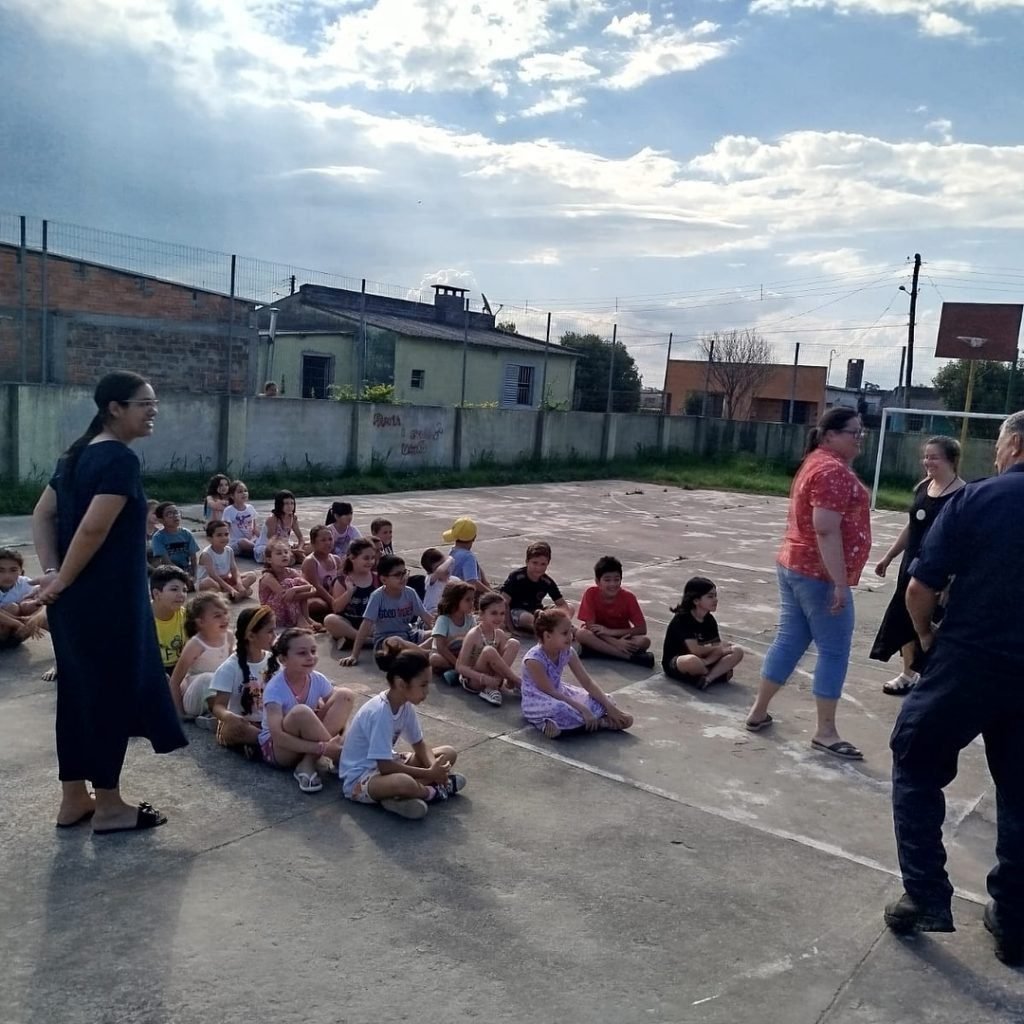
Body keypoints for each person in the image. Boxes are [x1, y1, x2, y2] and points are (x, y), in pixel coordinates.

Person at [884, 411, 1024, 967]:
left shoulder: (979, 500)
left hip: (967, 662)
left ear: (1013, 444)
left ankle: (925, 897)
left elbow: (920, 587)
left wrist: (926, 637)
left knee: (916, 761)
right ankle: (1014, 921)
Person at [31, 370, 186, 834]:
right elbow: (93, 529)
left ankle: (75, 798)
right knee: (107, 699)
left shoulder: (77, 455)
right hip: (107, 604)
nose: (153, 410)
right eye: (144, 403)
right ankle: (111, 805)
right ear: (114, 408)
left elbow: (42, 516)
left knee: (78, 697)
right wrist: (61, 580)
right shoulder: (118, 459)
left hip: (75, 605)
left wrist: (56, 575)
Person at [745, 406, 871, 760]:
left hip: (795, 566)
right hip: (817, 575)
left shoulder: (819, 461)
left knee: (790, 639)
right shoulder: (830, 469)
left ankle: (758, 711)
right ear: (830, 435)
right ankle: (826, 732)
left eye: (861, 432)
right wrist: (839, 582)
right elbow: (825, 528)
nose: (859, 438)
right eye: (853, 432)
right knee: (834, 650)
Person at [870, 436, 964, 695]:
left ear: (951, 460)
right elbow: (912, 526)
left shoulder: (962, 495)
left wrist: (952, 579)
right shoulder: (924, 487)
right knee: (903, 619)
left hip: (939, 572)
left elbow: (964, 542)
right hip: (910, 566)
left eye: (934, 457)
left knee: (932, 624)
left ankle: (932, 676)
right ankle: (908, 673)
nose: (927, 462)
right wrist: (889, 556)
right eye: (926, 456)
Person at [338, 650, 466, 820]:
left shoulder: (404, 705)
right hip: (362, 778)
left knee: (448, 753)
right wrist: (430, 774)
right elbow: (385, 766)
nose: (427, 692)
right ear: (401, 684)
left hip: (390, 763)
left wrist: (433, 767)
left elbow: (419, 744)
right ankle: (430, 791)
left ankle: (399, 797)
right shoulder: (380, 712)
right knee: (402, 782)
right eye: (423, 685)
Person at [258, 628, 355, 793]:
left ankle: (307, 763)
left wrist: (334, 739)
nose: (310, 657)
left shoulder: (317, 679)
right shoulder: (275, 689)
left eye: (313, 651)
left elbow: (336, 715)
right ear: (283, 659)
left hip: (308, 741)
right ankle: (340, 756)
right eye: (302, 653)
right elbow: (278, 737)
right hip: (279, 750)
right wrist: (323, 748)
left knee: (345, 694)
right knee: (301, 712)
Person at [522, 609, 633, 738]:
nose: (570, 636)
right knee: (559, 709)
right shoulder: (534, 659)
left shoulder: (568, 651)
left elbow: (587, 682)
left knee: (606, 699)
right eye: (564, 633)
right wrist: (583, 709)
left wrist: (609, 707)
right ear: (547, 636)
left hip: (561, 693)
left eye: (570, 631)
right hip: (539, 700)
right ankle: (600, 722)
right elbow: (551, 692)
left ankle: (576, 725)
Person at [339, 554, 433, 671]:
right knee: (395, 641)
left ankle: (417, 654)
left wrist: (438, 632)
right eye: (398, 575)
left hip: (410, 635)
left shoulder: (410, 593)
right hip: (386, 641)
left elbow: (425, 616)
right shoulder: (378, 597)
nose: (403, 577)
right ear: (383, 579)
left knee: (436, 635)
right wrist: (354, 655)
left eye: (404, 572)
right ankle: (424, 654)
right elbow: (365, 626)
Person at [208, 605, 276, 757]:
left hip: (270, 722)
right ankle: (273, 744)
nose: (275, 635)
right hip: (244, 724)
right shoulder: (230, 667)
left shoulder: (274, 661)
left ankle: (264, 744)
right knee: (232, 729)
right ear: (251, 636)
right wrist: (228, 716)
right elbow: (218, 706)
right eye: (270, 631)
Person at [662, 577, 744, 688]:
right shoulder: (682, 619)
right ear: (696, 600)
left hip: (705, 660)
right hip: (680, 662)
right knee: (692, 661)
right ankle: (715, 674)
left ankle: (706, 679)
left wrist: (710, 657)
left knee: (737, 650)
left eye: (715, 596)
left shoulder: (710, 620)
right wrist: (715, 649)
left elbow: (717, 650)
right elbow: (695, 650)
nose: (715, 600)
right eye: (710, 596)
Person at [576, 555, 654, 668]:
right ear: (598, 581)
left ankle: (599, 651)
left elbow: (642, 629)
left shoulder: (629, 597)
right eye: (607, 580)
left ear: (621, 580)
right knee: (581, 634)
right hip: (597, 636)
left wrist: (610, 632)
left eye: (616, 579)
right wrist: (615, 643)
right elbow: (590, 627)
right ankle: (628, 657)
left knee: (644, 642)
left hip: (620, 636)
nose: (612, 584)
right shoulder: (591, 593)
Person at [167, 593, 232, 722]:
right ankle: (221, 717)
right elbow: (174, 681)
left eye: (225, 613)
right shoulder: (195, 644)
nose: (224, 618)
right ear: (201, 622)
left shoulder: (229, 636)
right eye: (217, 616)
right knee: (208, 678)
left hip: (220, 691)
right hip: (194, 697)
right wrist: (180, 712)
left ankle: (212, 717)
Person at [455, 591, 522, 705]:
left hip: (494, 679)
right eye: (494, 613)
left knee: (514, 643)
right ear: (481, 614)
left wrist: (500, 678)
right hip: (476, 681)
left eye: (502, 613)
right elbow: (460, 667)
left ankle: (493, 687)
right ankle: (517, 682)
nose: (499, 617)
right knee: (489, 651)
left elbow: (501, 663)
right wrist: (483, 678)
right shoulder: (473, 635)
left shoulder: (499, 634)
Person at [500, 541, 574, 634]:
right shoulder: (516, 577)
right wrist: (510, 627)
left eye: (543, 564)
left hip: (538, 612)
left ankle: (553, 628)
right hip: (518, 612)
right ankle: (553, 629)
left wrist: (565, 620)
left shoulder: (547, 581)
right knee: (527, 618)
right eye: (535, 563)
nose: (538, 568)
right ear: (527, 562)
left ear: (548, 564)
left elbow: (561, 604)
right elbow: (503, 602)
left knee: (570, 607)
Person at [323, 538, 378, 650]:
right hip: (347, 623)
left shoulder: (376, 578)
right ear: (352, 558)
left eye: (373, 558)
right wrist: (349, 593)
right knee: (330, 620)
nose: (371, 562)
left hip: (369, 623)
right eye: (366, 558)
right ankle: (367, 641)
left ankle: (352, 640)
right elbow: (336, 608)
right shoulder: (342, 580)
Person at [259, 538, 318, 630]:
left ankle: (306, 618)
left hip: (288, 611)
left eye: (286, 552)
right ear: (269, 560)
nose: (284, 555)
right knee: (288, 583)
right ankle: (300, 619)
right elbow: (286, 596)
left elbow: (312, 588)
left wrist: (295, 589)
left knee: (298, 581)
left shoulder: (291, 572)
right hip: (272, 615)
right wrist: (306, 591)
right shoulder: (268, 577)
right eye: (279, 553)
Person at [196, 520, 258, 600]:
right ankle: (232, 594)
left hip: (225, 579)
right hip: (213, 582)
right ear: (210, 539)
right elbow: (213, 576)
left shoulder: (229, 550)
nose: (224, 538)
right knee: (208, 582)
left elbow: (234, 570)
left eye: (226, 534)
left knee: (251, 575)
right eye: (219, 535)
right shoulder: (206, 554)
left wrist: (239, 584)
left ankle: (227, 595)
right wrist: (230, 588)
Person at [0, 547, 46, 647]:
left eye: (13, 570)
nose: (7, 576)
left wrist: (34, 619)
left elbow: (46, 604)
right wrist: (18, 623)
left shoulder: (24, 583)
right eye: (1, 570)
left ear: (21, 570)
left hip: (16, 634)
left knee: (31, 604)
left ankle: (69, 643)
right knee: (13, 607)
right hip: (8, 628)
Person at [429, 582, 476, 679]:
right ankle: (459, 670)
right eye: (467, 600)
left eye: (473, 599)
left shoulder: (470, 619)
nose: (472, 603)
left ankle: (458, 672)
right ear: (455, 601)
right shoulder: (443, 620)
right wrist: (457, 664)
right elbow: (441, 648)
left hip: (462, 654)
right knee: (435, 659)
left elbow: (474, 641)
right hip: (445, 655)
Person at [151, 564, 189, 674]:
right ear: (157, 594)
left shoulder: (186, 616)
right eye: (174, 589)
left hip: (179, 668)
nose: (182, 595)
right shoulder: (143, 620)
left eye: (185, 590)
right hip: (153, 670)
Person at [301, 524, 343, 622]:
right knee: (318, 605)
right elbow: (317, 587)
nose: (328, 543)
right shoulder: (310, 561)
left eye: (330, 539)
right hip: (315, 596)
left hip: (332, 595)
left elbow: (341, 581)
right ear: (313, 543)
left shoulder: (336, 559)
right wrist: (333, 601)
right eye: (323, 540)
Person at [442, 517, 491, 597]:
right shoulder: (468, 557)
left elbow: (472, 567)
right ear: (474, 537)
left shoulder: (453, 551)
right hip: (463, 596)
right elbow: (472, 582)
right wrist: (490, 593)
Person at [254, 489, 306, 564]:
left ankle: (294, 555)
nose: (290, 506)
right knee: (291, 559)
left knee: (311, 546)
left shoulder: (293, 518)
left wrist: (300, 548)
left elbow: (301, 538)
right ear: (280, 504)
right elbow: (272, 543)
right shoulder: (272, 519)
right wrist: (292, 551)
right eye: (286, 503)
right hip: (267, 548)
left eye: (292, 503)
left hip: (285, 546)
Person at [150, 502, 199, 580]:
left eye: (176, 512)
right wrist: (183, 575)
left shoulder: (187, 534)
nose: (175, 516)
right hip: (169, 572)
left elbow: (193, 558)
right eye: (169, 514)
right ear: (161, 520)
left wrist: (195, 575)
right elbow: (166, 561)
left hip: (186, 570)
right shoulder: (158, 537)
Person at [222, 481, 259, 558]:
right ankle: (259, 550)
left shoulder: (250, 508)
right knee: (243, 542)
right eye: (240, 492)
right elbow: (225, 529)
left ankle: (255, 550)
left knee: (261, 540)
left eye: (245, 491)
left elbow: (255, 528)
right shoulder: (229, 510)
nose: (244, 493)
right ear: (232, 496)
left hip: (251, 540)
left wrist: (262, 538)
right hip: (236, 542)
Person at [420, 547, 459, 616]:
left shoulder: (455, 580)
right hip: (431, 616)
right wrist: (450, 559)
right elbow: (440, 571)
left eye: (444, 564)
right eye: (438, 566)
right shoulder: (431, 580)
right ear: (430, 572)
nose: (445, 569)